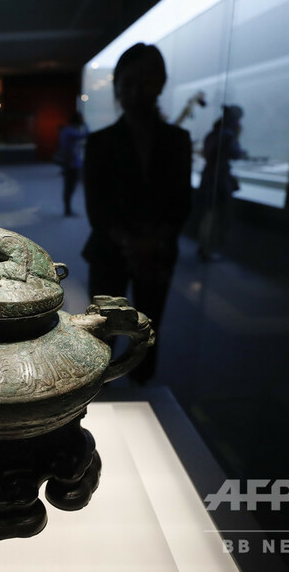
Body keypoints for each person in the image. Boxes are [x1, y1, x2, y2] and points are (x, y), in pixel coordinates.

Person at [82, 43, 192, 383]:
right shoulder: (100, 142)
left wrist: (150, 241)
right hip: (120, 250)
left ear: (160, 83)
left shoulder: (177, 140)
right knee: (103, 335)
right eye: (128, 83)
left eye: (144, 81)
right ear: (117, 87)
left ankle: (140, 387)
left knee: (147, 333)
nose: (134, 91)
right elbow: (96, 208)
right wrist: (139, 242)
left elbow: (181, 201)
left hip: (150, 251)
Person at [197, 105, 246, 261]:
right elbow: (235, 153)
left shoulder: (213, 134)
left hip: (209, 178)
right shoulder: (228, 135)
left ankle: (205, 248)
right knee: (216, 217)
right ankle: (208, 250)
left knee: (209, 215)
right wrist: (237, 136)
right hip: (219, 181)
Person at [56, 111, 89, 216]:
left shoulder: (66, 130)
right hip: (72, 163)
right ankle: (67, 210)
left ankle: (67, 209)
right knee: (70, 187)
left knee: (68, 186)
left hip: (69, 161)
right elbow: (85, 135)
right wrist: (86, 124)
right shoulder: (70, 131)